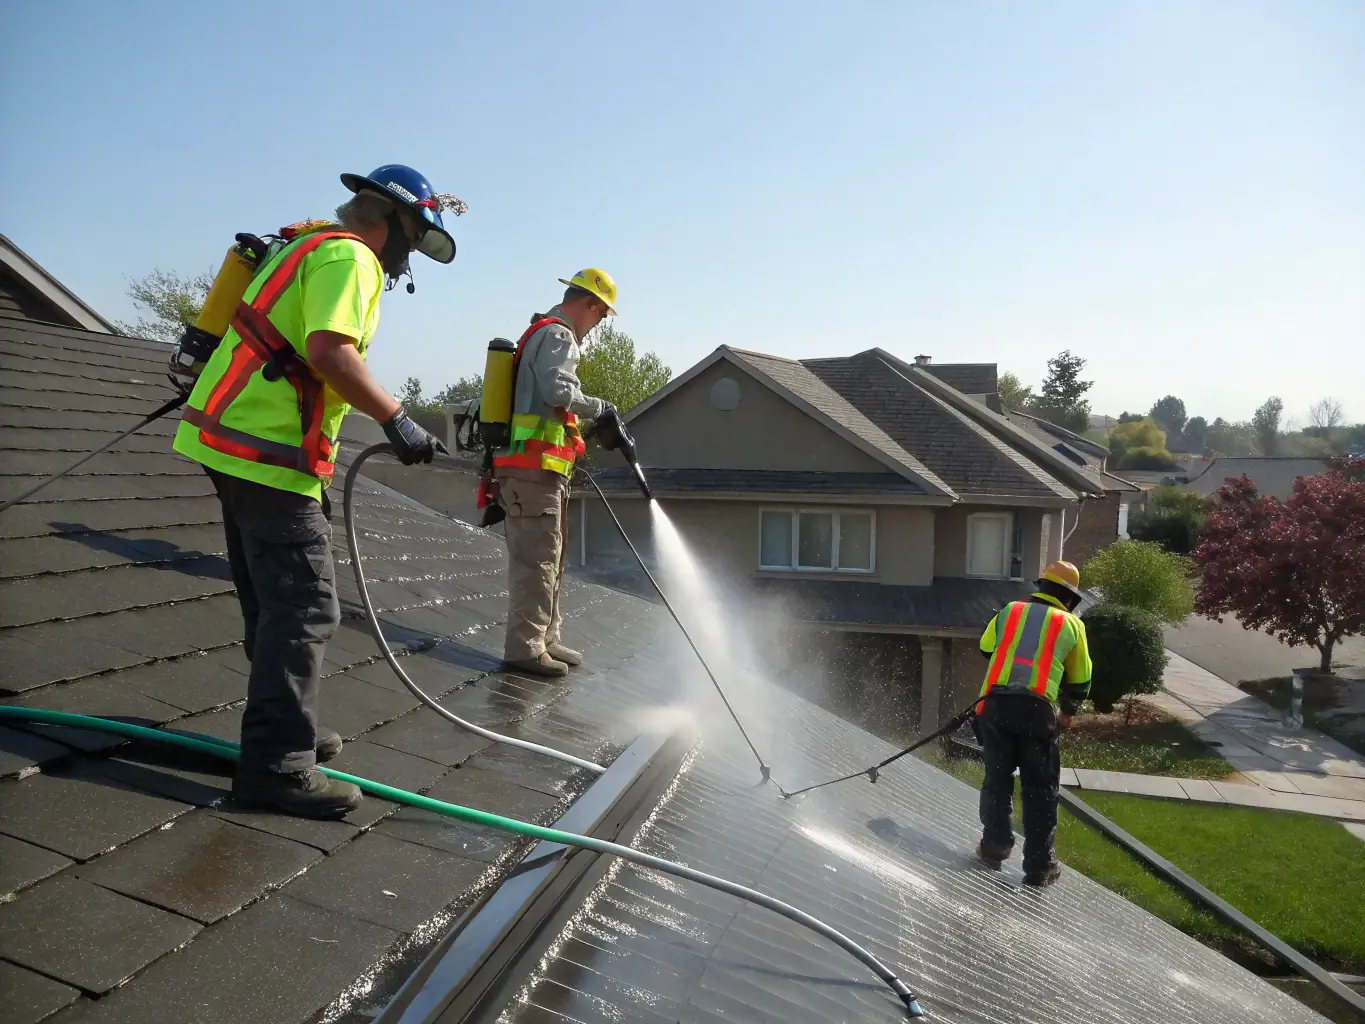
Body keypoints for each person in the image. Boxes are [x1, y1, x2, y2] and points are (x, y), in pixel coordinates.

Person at [173, 164, 456, 819]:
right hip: (267, 454)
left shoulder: (305, 246)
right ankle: (277, 764)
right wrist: (396, 418)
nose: (405, 257)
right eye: (410, 240)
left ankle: (284, 728)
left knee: (271, 602)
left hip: (230, 443)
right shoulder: (349, 258)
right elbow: (330, 351)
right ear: (389, 220)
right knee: (304, 608)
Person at [492, 269, 617, 678]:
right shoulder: (560, 336)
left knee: (552, 557)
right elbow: (558, 392)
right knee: (536, 562)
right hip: (532, 473)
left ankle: (545, 638)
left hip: (541, 473)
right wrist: (600, 408)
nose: (597, 327)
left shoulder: (539, 333)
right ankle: (525, 648)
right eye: (601, 317)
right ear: (592, 305)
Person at [972, 559, 1092, 887]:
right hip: (1038, 713)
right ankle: (1039, 867)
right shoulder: (1071, 625)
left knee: (997, 778)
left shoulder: (1010, 611)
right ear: (1069, 598)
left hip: (994, 707)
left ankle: (994, 847)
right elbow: (1080, 680)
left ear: (1041, 588)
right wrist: (1067, 712)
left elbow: (986, 648)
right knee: (1040, 789)